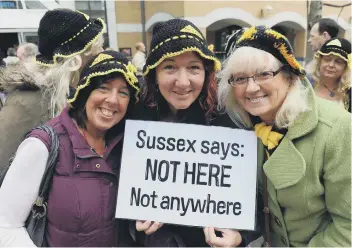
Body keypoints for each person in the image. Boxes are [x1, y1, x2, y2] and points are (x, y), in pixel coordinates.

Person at [218, 26, 351, 247]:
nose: (251, 88)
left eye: (263, 74)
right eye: (240, 78)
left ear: (289, 77)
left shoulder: (339, 128)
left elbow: (348, 226)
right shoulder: (247, 126)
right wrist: (240, 235)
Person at [132, 18, 259, 247]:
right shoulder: (135, 117)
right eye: (169, 67)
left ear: (207, 72)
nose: (183, 82)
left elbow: (254, 197)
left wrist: (241, 237)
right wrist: (132, 220)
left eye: (193, 68)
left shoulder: (228, 120)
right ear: (154, 73)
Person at [0, 50, 140, 246]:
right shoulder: (43, 144)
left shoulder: (127, 146)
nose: (113, 100)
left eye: (123, 92)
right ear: (85, 91)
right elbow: (6, 225)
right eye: (103, 88)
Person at [0, 9, 105, 172]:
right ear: (73, 59)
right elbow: (3, 161)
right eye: (93, 52)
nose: (101, 55)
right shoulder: (27, 101)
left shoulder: (78, 92)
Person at [312, 37, 351, 112]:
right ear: (320, 62)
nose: (331, 65)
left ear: (346, 67)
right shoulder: (306, 87)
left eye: (338, 61)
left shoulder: (349, 94)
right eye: (327, 59)